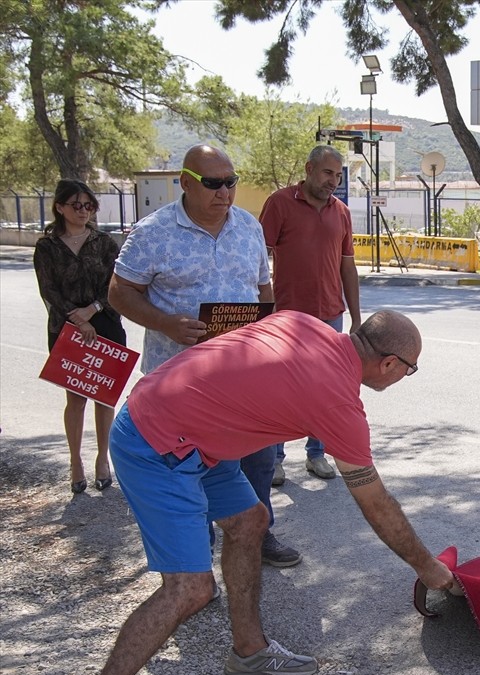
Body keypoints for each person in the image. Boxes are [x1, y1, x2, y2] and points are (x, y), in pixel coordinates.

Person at [57, 309, 455, 675]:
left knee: (250, 522)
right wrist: (428, 568)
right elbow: (376, 505)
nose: (407, 377)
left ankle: (249, 652)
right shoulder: (336, 401)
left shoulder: (310, 326)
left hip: (192, 427)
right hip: (156, 440)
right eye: (410, 369)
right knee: (189, 588)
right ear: (389, 364)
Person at [108, 144, 301, 568]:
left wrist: (269, 332)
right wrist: (165, 323)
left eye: (230, 182)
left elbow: (263, 289)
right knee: (190, 470)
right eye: (213, 184)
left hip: (245, 379)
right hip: (180, 388)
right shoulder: (153, 231)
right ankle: (196, 557)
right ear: (185, 182)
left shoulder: (249, 228)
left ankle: (258, 534)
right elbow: (119, 292)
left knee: (258, 458)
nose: (224, 192)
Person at [259, 144, 361, 486]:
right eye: (327, 173)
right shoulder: (280, 203)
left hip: (331, 316)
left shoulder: (342, 212)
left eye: (337, 175)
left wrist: (357, 318)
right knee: (279, 390)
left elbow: (348, 266)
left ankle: (316, 454)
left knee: (323, 389)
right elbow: (257, 259)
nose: (333, 181)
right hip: (286, 317)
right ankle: (273, 459)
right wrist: (263, 308)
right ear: (309, 169)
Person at [33, 180, 127, 494]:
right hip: (66, 327)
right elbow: (48, 290)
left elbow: (118, 284)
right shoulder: (47, 247)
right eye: (76, 205)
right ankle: (76, 461)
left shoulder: (104, 242)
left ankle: (103, 458)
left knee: (105, 397)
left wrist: (94, 309)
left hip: (106, 323)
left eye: (88, 205)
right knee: (76, 397)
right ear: (59, 207)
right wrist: (77, 318)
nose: (83, 211)